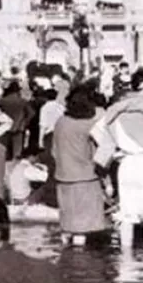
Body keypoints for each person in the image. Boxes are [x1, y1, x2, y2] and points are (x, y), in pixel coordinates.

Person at [92, 68, 143, 249]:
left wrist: (116, 151)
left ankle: (126, 266)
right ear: (141, 88)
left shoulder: (115, 111)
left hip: (127, 164)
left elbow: (95, 131)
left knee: (127, 218)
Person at [52, 86, 107, 236]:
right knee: (81, 231)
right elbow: (105, 146)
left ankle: (65, 257)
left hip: (63, 177)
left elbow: (54, 151)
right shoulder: (89, 125)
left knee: (67, 226)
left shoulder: (60, 122)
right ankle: (79, 257)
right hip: (85, 179)